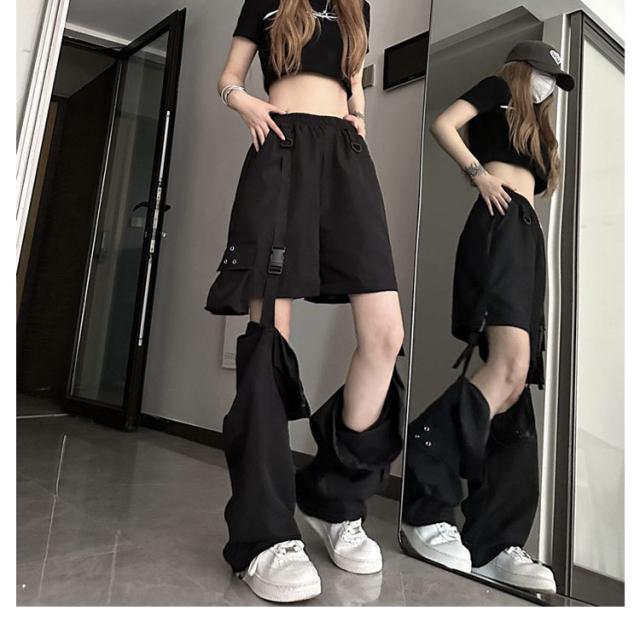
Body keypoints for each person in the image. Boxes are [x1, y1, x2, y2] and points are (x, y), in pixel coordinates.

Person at [206, 0, 405, 603]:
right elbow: (229, 77)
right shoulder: (265, 2)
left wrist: (359, 114)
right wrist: (244, 103)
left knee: (385, 333)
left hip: (345, 156)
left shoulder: (357, 6)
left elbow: (354, 78)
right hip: (282, 145)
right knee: (272, 331)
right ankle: (264, 534)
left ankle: (334, 498)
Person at [401, 40, 575, 594]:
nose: (548, 88)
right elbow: (444, 123)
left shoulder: (537, 128)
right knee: (508, 367)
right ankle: (425, 480)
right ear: (523, 69)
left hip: (526, 238)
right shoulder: (499, 89)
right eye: (543, 75)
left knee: (517, 379)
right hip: (498, 224)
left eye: (555, 82)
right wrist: (478, 174)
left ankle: (494, 540)